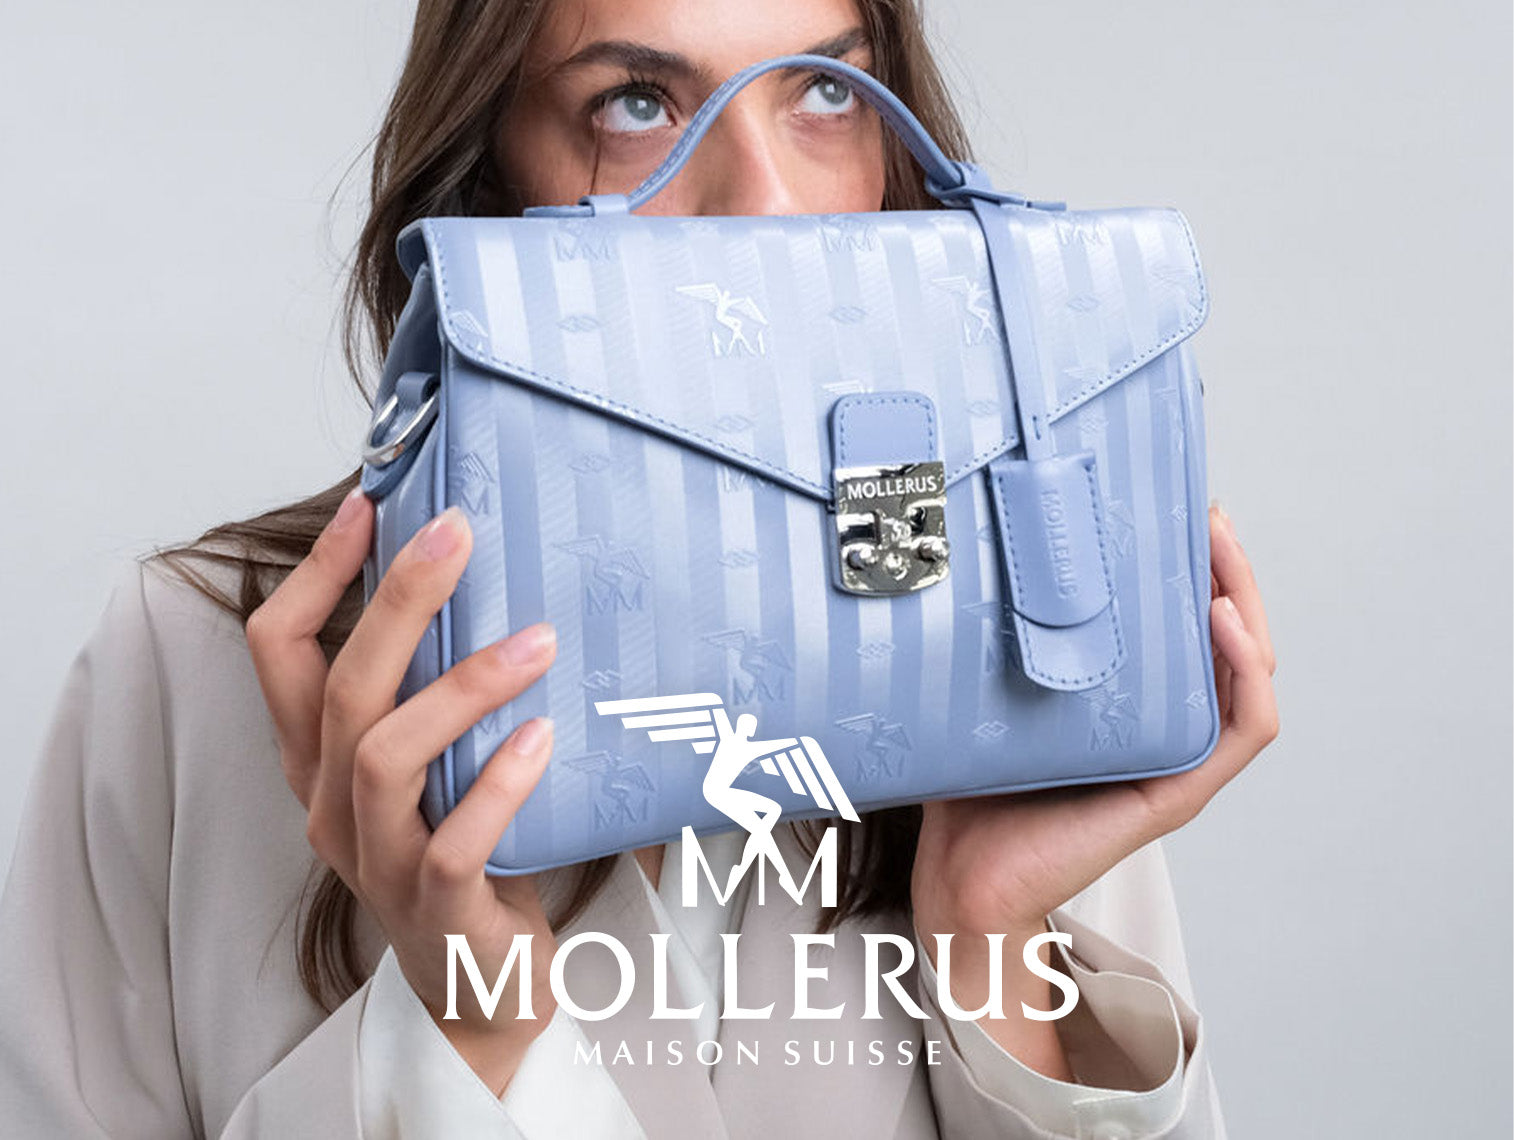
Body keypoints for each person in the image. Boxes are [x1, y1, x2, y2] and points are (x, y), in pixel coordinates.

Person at [0, 0, 1280, 1136]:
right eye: (634, 102)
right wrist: (473, 1026)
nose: (766, 206)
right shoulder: (188, 660)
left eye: (826, 90)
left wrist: (988, 935)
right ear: (485, 183)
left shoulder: (1021, 648)